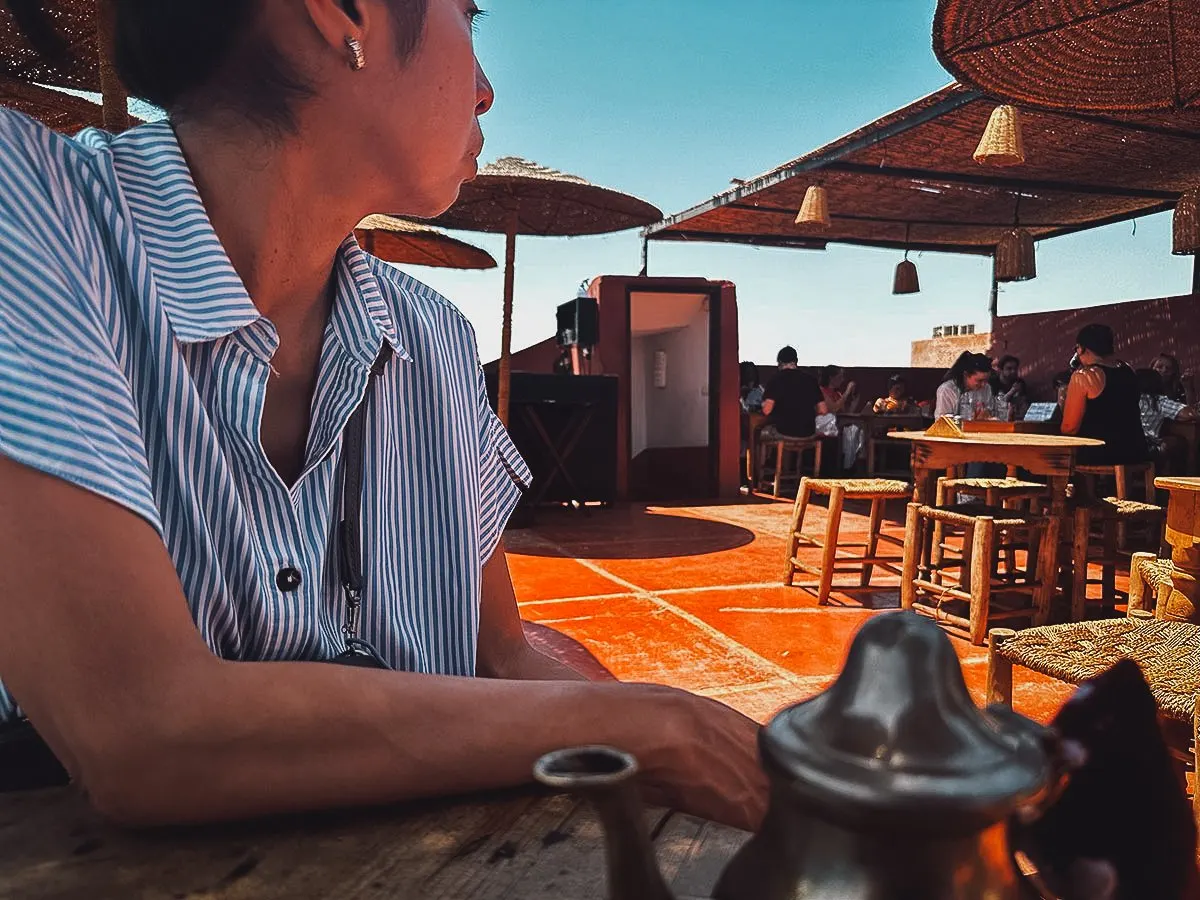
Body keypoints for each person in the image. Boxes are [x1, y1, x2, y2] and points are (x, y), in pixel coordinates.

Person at [0, 1, 764, 829]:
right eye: (468, 16)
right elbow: (144, 731)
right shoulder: (31, 214)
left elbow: (503, 655)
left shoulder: (433, 338)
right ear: (341, 11)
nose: (486, 91)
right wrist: (651, 724)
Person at [1061, 325, 1147, 466]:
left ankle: (1084, 489)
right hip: (1136, 449)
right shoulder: (1128, 369)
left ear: (1081, 348)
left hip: (1101, 453)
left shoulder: (1084, 376)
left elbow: (1070, 428)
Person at [760, 346, 827, 440]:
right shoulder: (811, 379)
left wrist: (763, 404)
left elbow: (767, 410)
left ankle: (771, 455)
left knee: (764, 433)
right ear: (796, 362)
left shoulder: (775, 379)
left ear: (779, 363)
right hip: (809, 432)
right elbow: (823, 410)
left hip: (784, 431)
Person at [1137, 368, 1197, 468]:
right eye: (1160, 366)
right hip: (1145, 450)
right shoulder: (1156, 401)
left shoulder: (1125, 398)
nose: (1164, 371)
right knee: (1178, 443)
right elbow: (1189, 414)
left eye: (1168, 369)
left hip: (1122, 449)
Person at [934, 352, 994, 420]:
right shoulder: (947, 390)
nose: (983, 384)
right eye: (979, 381)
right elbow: (942, 422)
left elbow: (990, 412)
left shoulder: (987, 388)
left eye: (986, 380)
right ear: (966, 375)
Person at [991, 354, 1029, 420]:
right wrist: (1012, 391)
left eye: (1015, 369)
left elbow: (1023, 404)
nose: (1013, 371)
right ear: (1001, 370)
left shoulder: (1019, 382)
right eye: (1009, 368)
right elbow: (995, 405)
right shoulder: (993, 383)